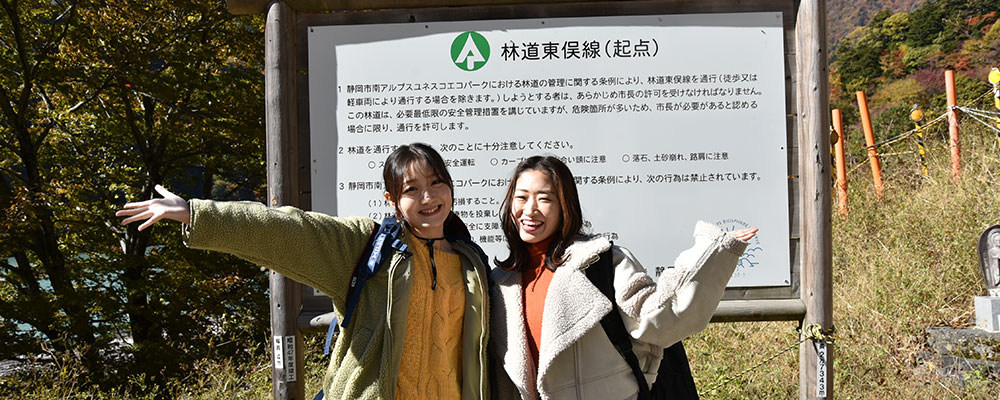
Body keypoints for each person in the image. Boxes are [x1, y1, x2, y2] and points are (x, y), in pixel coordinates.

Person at [116, 143, 491, 399]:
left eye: (436, 183)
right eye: (412, 189)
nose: (428, 198)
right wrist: (197, 213)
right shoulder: (368, 247)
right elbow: (287, 229)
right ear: (392, 201)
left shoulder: (470, 261)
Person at [489, 155, 757, 400]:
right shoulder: (502, 283)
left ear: (565, 206)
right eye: (521, 197)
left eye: (544, 198)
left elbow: (658, 317)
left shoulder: (599, 262)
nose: (530, 210)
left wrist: (710, 254)